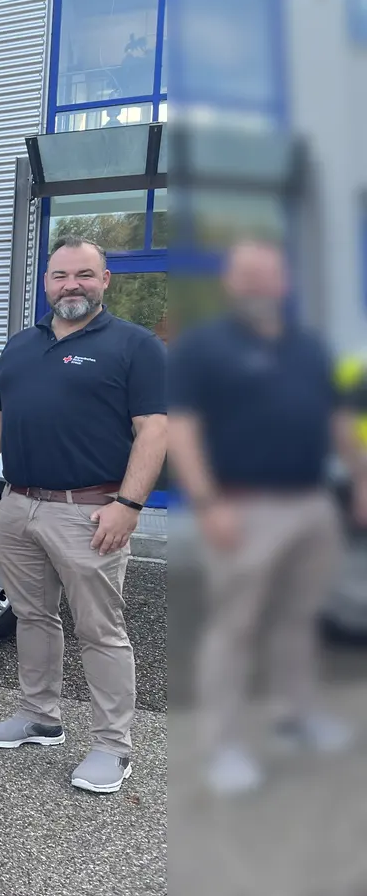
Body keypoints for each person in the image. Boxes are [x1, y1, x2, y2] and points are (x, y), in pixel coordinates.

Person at [0, 235, 167, 795]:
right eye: (59, 275)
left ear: (105, 281)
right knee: (33, 617)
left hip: (91, 511)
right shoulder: (21, 346)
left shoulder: (135, 346)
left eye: (83, 274)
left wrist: (127, 505)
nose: (70, 285)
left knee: (101, 631)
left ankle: (113, 746)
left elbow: (154, 429)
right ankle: (39, 716)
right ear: (45, 282)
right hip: (19, 504)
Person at [168, 239, 367, 795]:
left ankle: (295, 716)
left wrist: (361, 478)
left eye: (269, 275)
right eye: (247, 276)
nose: (259, 285)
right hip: (241, 506)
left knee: (299, 619)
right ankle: (222, 747)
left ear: (285, 283)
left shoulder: (309, 348)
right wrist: (207, 503)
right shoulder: (203, 349)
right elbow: (181, 430)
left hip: (311, 504)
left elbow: (336, 419)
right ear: (232, 284)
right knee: (234, 629)